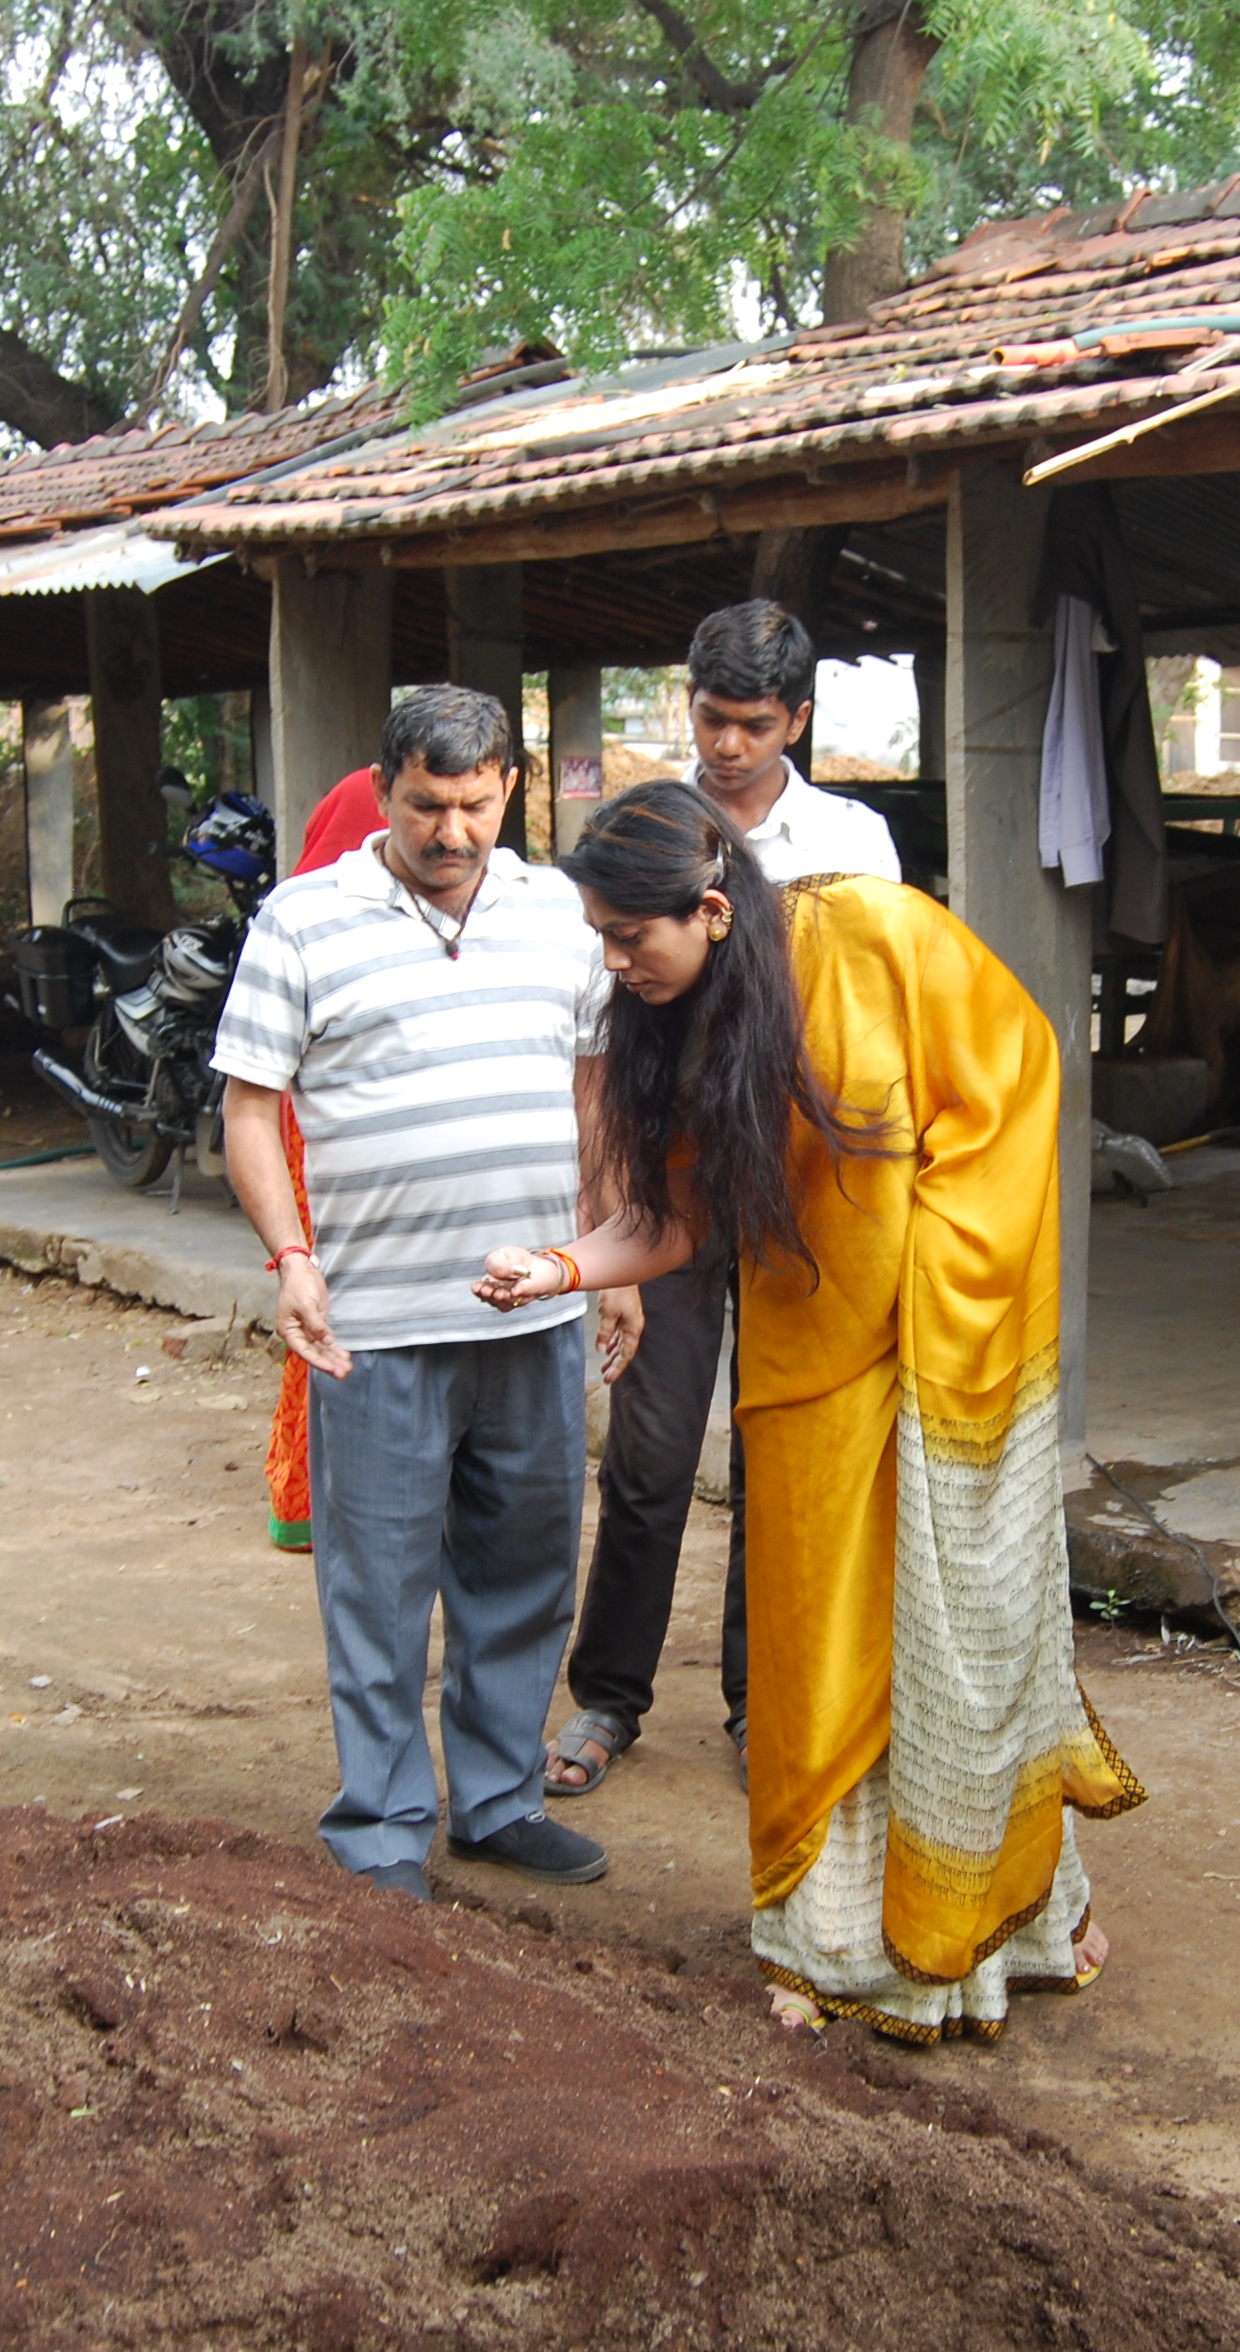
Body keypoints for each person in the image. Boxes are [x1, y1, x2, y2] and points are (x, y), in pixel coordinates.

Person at [475, 781, 1142, 2040]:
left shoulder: (875, 936)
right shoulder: (667, 1022)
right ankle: (830, 1939)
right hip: (807, 1376)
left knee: (962, 1638)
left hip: (942, 1358)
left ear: (711, 908)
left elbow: (1018, 1079)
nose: (614, 965)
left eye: (630, 936)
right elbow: (674, 1217)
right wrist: (557, 1268)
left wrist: (931, 1276)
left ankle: (1007, 1920)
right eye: (599, 939)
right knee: (813, 1647)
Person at [213, 685, 611, 1903]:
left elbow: (595, 1089)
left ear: (511, 791)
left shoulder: (559, 912)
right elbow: (247, 1106)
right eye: (427, 804)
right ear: (383, 790)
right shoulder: (301, 919)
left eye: (476, 805)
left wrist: (605, 1255)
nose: (452, 831)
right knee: (377, 1587)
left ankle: (496, 1801)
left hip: (536, 1314)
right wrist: (291, 1257)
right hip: (374, 1327)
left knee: (524, 1569)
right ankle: (383, 1824)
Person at [546, 598, 905, 1801]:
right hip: (671, 1184)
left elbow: (877, 1030)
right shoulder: (645, 832)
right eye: (710, 718)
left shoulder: (854, 841)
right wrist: (601, 1235)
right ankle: (609, 1694)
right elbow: (602, 1058)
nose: (729, 744)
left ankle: (763, 1698)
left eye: (754, 723)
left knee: (776, 1450)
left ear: (796, 719)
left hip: (797, 1195)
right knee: (647, 1451)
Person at [256, 767, 388, 1556]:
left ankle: (307, 1496)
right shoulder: (308, 926)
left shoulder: (297, 921)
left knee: (323, 1311)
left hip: (317, 1146)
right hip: (332, 1151)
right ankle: (321, 1498)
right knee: (331, 1311)